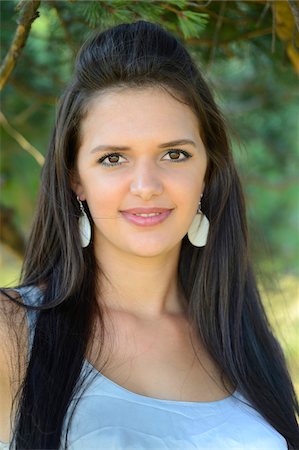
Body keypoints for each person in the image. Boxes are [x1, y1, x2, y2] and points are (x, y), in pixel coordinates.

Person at [0, 20, 298, 450]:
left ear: (207, 171)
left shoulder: (242, 340)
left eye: (174, 154)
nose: (146, 185)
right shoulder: (12, 333)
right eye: (114, 158)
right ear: (75, 179)